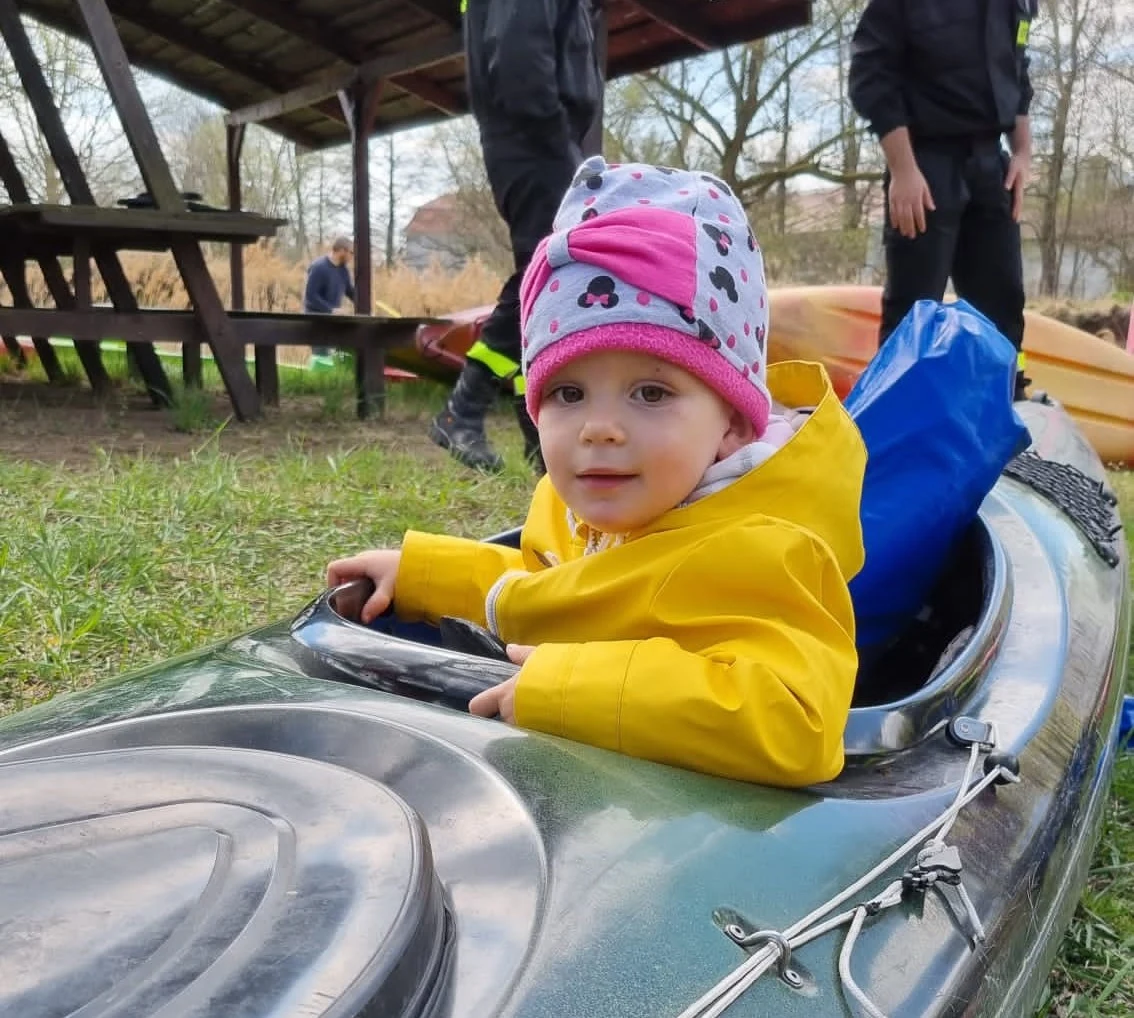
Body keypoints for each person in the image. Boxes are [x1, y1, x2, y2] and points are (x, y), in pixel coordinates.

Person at [327, 159, 866, 787]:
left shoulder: (764, 553)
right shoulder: (574, 506)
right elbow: (556, 592)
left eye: (650, 393)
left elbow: (799, 723)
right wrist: (426, 577)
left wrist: (569, 689)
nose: (598, 428)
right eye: (568, 394)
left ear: (733, 425)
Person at [430, 0, 604, 472]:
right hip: (535, 139)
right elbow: (517, 58)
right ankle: (463, 408)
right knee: (547, 270)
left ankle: (536, 433)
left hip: (537, 138)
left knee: (549, 279)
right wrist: (554, 134)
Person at [849, 0, 1037, 400]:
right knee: (914, 308)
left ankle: (1006, 403)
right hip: (924, 163)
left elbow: (1018, 71)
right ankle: (897, 412)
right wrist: (903, 169)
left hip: (993, 165)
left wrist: (1022, 153)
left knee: (1002, 301)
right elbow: (870, 73)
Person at [303, 236, 355, 367]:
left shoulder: (343, 270)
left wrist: (365, 304)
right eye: (351, 252)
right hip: (316, 321)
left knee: (341, 354)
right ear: (342, 250)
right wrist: (331, 310)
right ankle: (316, 384)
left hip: (333, 321)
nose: (352, 256)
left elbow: (350, 291)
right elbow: (311, 296)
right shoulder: (319, 267)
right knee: (321, 356)